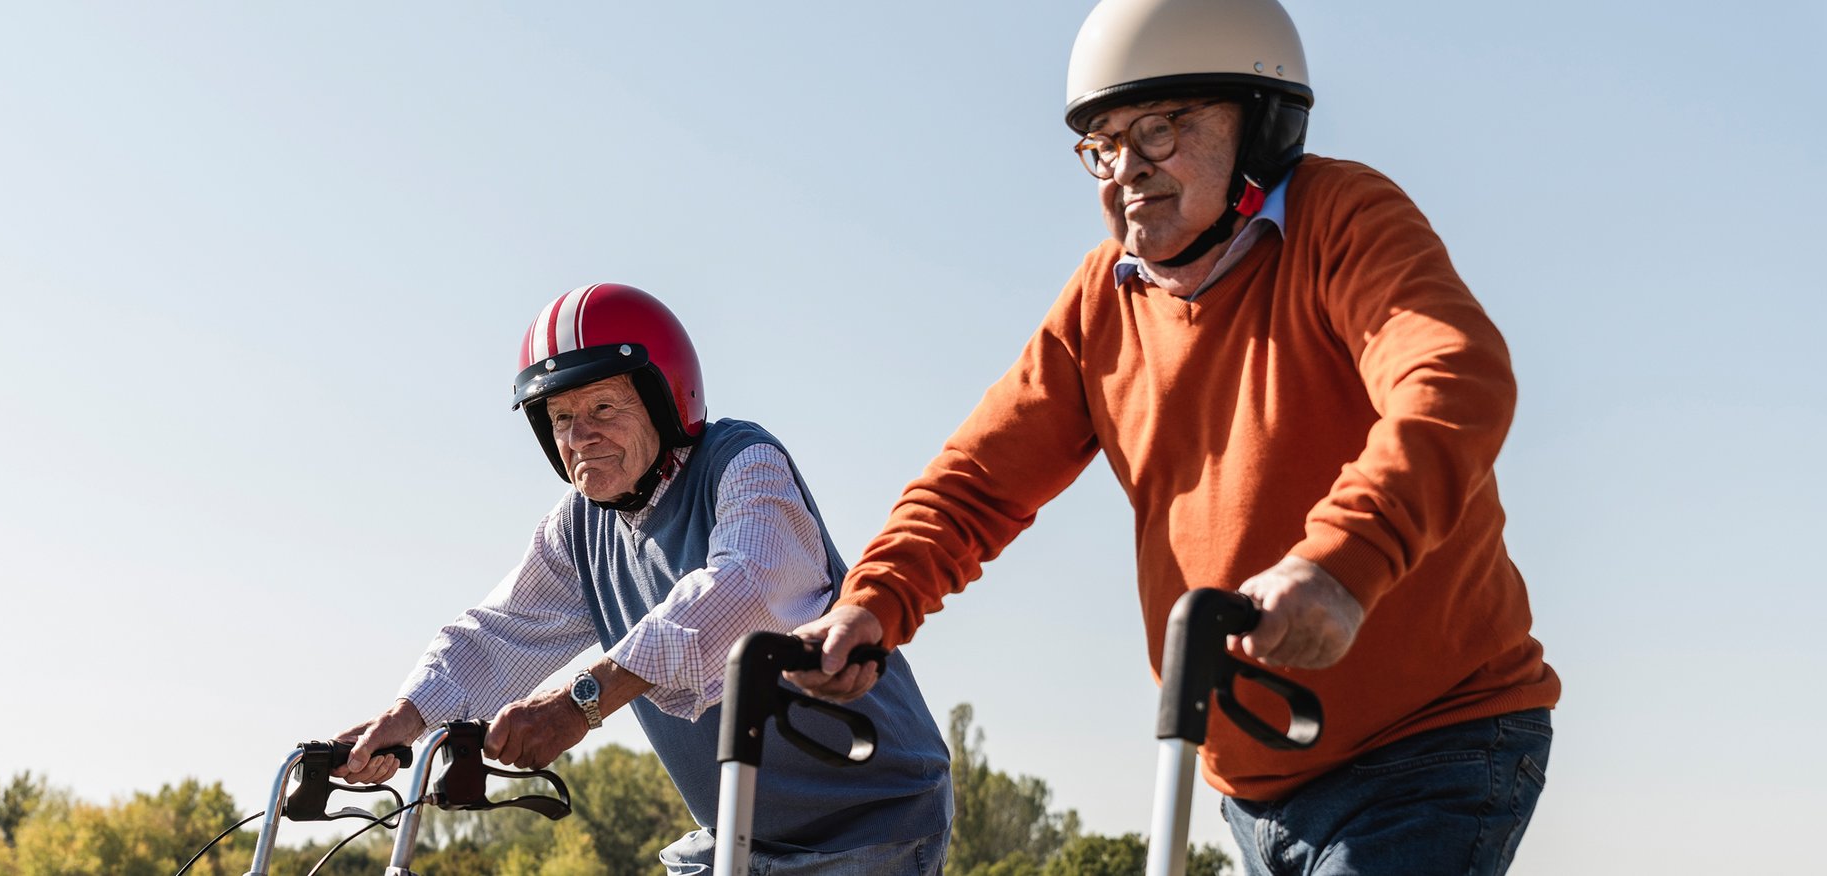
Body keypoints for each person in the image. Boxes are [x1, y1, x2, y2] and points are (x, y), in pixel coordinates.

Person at [786, 1, 1561, 873]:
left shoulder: (1342, 217)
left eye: (1159, 130)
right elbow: (978, 481)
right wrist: (873, 599)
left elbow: (1451, 379)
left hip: (1429, 744)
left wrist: (1343, 564)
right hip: (1247, 783)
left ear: (1262, 126)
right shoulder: (1101, 298)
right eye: (1103, 145)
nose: (1126, 169)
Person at [334, 283, 953, 875]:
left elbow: (744, 591)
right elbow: (499, 634)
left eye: (603, 406)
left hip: (865, 824)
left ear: (666, 399)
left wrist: (583, 700)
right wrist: (406, 715)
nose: (580, 437)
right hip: (736, 833)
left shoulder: (741, 462)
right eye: (560, 417)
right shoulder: (577, 528)